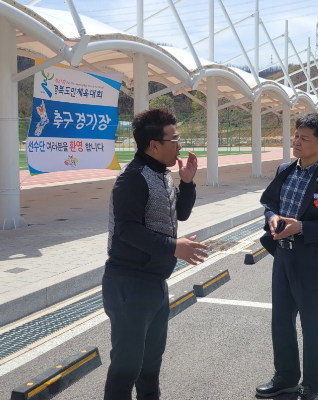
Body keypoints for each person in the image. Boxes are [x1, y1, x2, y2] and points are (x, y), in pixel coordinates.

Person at [102, 109, 209, 400]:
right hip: (129, 284)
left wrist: (187, 183)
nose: (180, 145)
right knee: (126, 368)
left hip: (155, 283)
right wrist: (174, 247)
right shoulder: (133, 179)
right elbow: (126, 230)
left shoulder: (161, 174)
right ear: (154, 145)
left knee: (150, 367)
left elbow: (181, 215)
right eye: (174, 139)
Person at [256, 113, 318, 400]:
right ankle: (284, 377)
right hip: (283, 257)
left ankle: (312, 385)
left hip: (313, 262)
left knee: (312, 326)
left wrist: (303, 227)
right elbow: (269, 201)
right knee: (281, 321)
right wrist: (272, 217)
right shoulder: (285, 170)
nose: (296, 141)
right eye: (296, 136)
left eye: (304, 138)